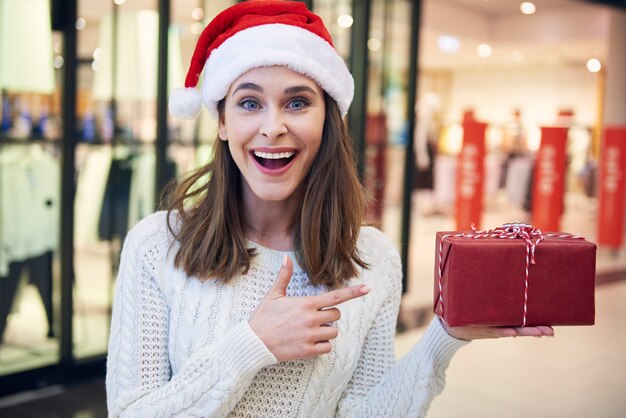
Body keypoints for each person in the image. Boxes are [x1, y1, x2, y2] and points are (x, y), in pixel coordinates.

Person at [105, 1, 554, 417]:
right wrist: (253, 344)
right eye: (249, 102)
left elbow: (362, 411)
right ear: (222, 122)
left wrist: (444, 338)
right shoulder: (158, 244)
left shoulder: (372, 257)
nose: (273, 126)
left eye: (297, 102)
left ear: (328, 119)